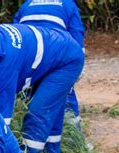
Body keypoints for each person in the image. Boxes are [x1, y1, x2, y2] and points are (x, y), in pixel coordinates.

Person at [0, 18, 84, 153]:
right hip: (53, 51)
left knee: (39, 111)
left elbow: (1, 118)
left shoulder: (5, 63)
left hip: (67, 59)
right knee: (50, 109)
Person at [13, 0, 85, 128]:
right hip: (57, 54)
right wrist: (78, 63)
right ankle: (74, 136)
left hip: (31, 55)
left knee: (28, 92)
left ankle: (25, 129)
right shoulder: (68, 4)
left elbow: (15, 32)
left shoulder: (27, 5)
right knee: (63, 91)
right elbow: (76, 35)